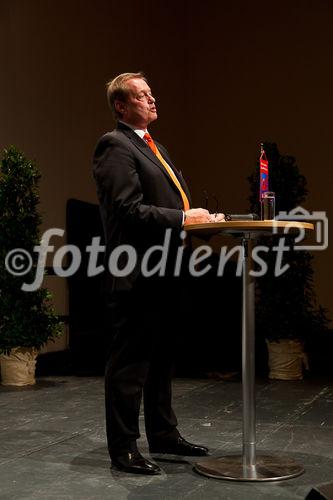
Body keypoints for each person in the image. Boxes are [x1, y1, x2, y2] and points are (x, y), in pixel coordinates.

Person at [93, 72, 225, 475]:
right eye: (142, 95)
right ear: (121, 105)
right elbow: (127, 210)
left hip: (167, 271)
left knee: (162, 358)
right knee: (130, 364)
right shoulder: (114, 145)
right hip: (138, 272)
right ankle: (124, 447)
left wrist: (202, 221)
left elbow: (170, 206)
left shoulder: (155, 146)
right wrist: (186, 218)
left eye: (151, 93)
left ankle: (164, 434)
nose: (152, 100)